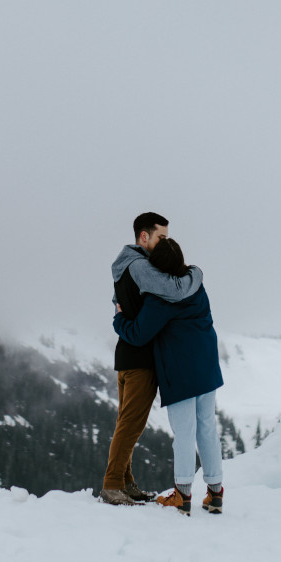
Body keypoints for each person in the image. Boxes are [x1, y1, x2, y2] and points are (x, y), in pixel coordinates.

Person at [112, 237, 224, 516]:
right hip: (207, 365)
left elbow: (138, 334)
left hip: (180, 372)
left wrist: (118, 319)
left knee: (184, 433)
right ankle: (215, 494)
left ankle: (183, 496)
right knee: (207, 428)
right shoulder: (196, 284)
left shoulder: (159, 299)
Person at [100, 212, 205, 507]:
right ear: (143, 237)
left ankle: (126, 483)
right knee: (131, 425)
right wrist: (196, 273)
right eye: (161, 237)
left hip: (125, 353)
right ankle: (111, 485)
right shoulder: (141, 266)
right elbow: (173, 289)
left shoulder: (122, 264)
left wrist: (120, 319)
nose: (164, 243)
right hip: (140, 359)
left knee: (126, 422)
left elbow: (118, 303)